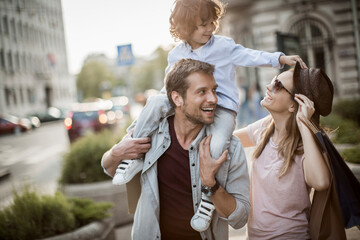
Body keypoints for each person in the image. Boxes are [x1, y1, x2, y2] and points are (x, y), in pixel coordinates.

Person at [112, 0, 306, 232]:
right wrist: (137, 126)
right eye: (203, 24)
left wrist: (280, 59)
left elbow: (249, 56)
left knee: (215, 149)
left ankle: (206, 200)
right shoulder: (176, 55)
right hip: (188, 105)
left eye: (212, 22)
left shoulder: (223, 46)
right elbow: (168, 90)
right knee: (155, 100)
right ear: (185, 27)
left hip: (222, 109)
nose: (209, 28)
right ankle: (133, 156)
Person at [102, 59, 250, 240]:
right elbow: (110, 170)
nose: (213, 99)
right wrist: (116, 153)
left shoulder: (229, 149)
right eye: (202, 92)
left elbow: (240, 219)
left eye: (214, 90)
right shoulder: (150, 134)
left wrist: (211, 184)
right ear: (177, 98)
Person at [233, 61, 333, 239]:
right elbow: (228, 139)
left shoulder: (306, 145)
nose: (268, 86)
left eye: (277, 85)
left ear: (294, 105)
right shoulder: (264, 128)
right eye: (273, 80)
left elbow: (321, 182)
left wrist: (303, 123)